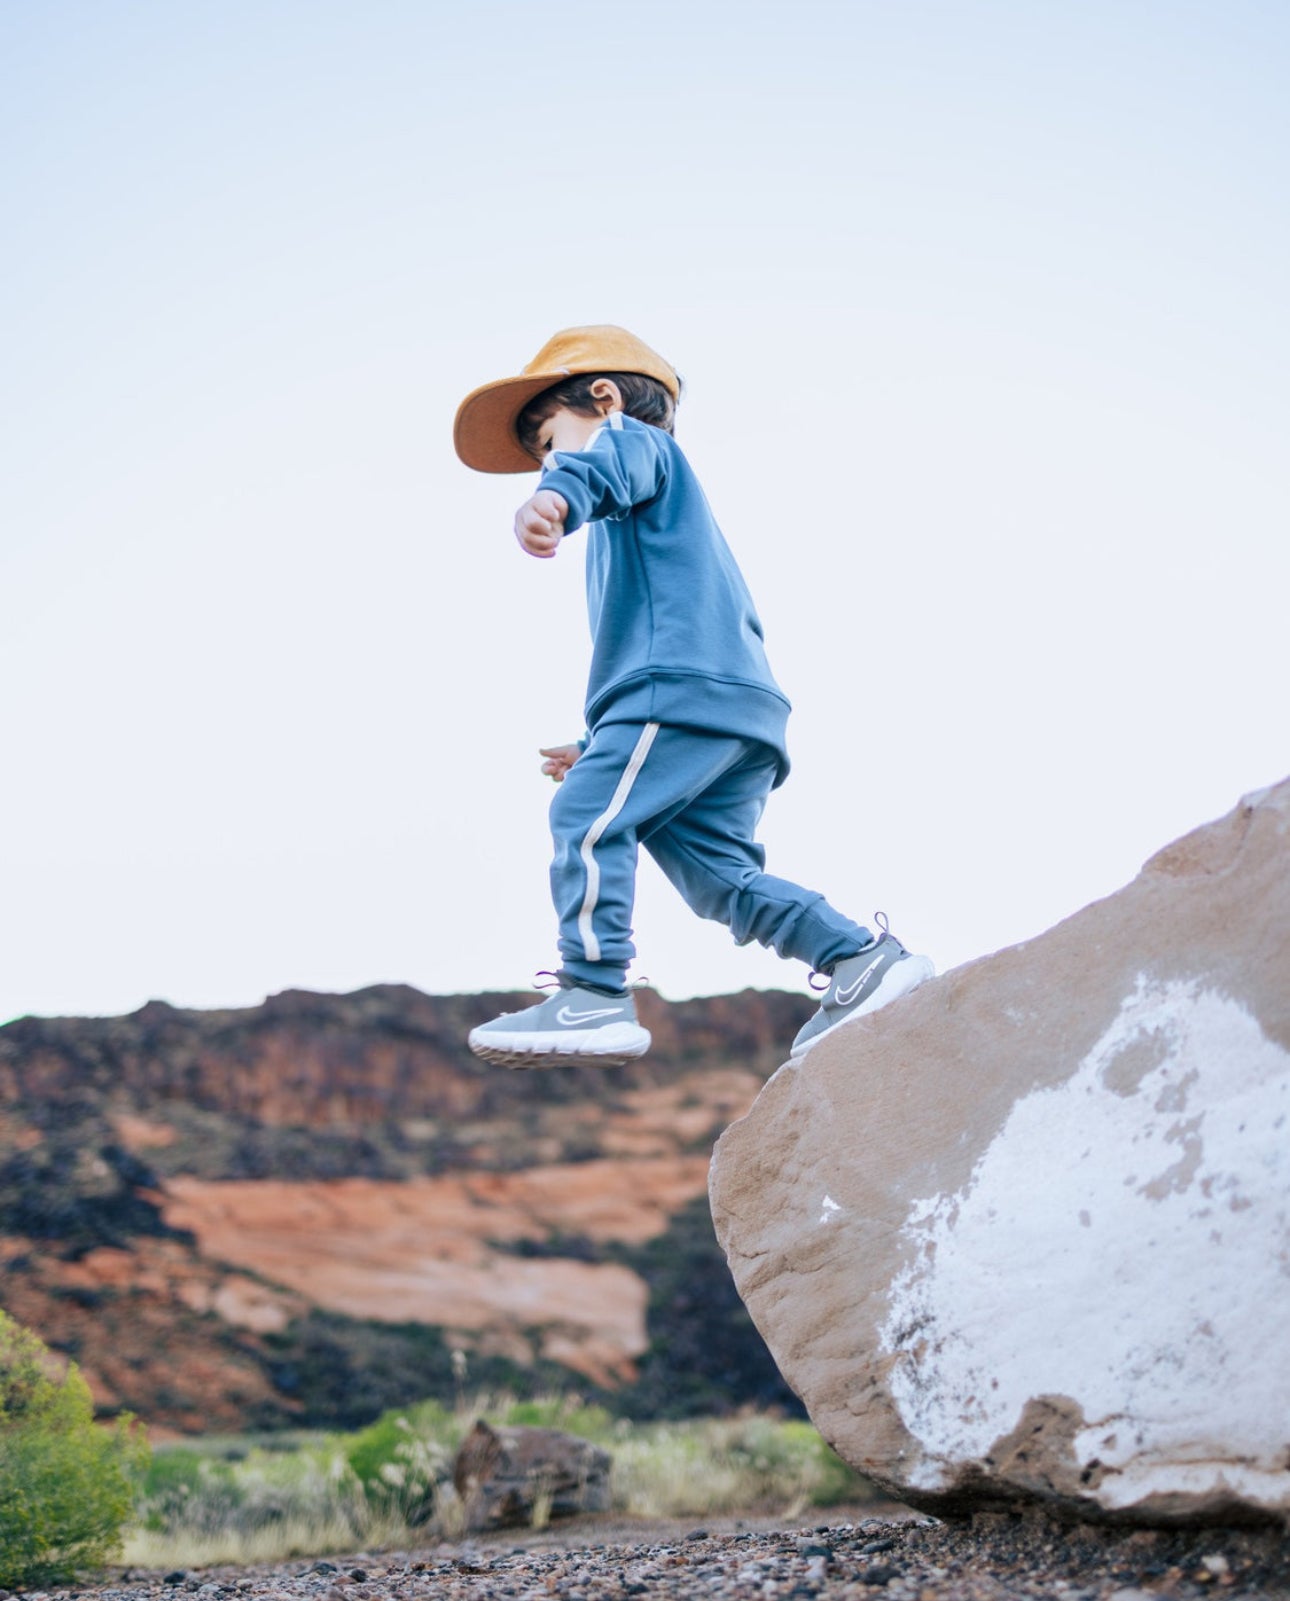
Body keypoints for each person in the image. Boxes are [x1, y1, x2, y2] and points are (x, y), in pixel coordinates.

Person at [452, 325, 932, 1067]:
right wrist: (596, 742)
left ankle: (592, 991)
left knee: (584, 816)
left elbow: (597, 467)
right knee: (721, 881)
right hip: (722, 710)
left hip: (674, 696)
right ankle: (859, 959)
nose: (546, 465)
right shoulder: (654, 511)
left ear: (604, 397)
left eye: (549, 441)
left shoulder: (633, 443)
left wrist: (554, 495)